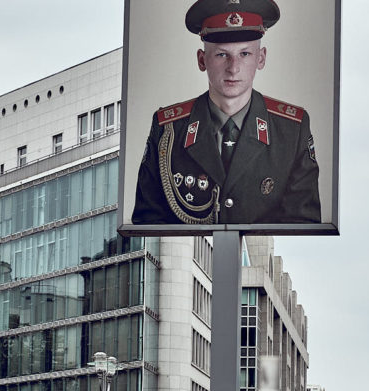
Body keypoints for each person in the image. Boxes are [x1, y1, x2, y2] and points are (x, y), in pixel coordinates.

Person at [131, 0, 320, 227]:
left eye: (245, 54)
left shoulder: (292, 129)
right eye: (222, 55)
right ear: (202, 60)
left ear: (261, 58)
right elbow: (147, 222)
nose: (233, 68)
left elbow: (303, 225)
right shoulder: (168, 128)